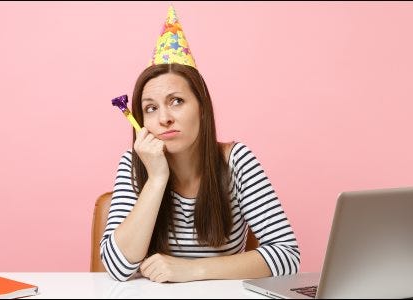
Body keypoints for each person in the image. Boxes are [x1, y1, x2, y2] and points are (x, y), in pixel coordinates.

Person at [100, 6, 300, 283]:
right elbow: (117, 268)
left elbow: (287, 256)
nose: (165, 118)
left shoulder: (236, 161)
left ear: (202, 108)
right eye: (150, 108)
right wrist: (157, 178)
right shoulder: (132, 164)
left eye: (177, 101)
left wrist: (192, 270)